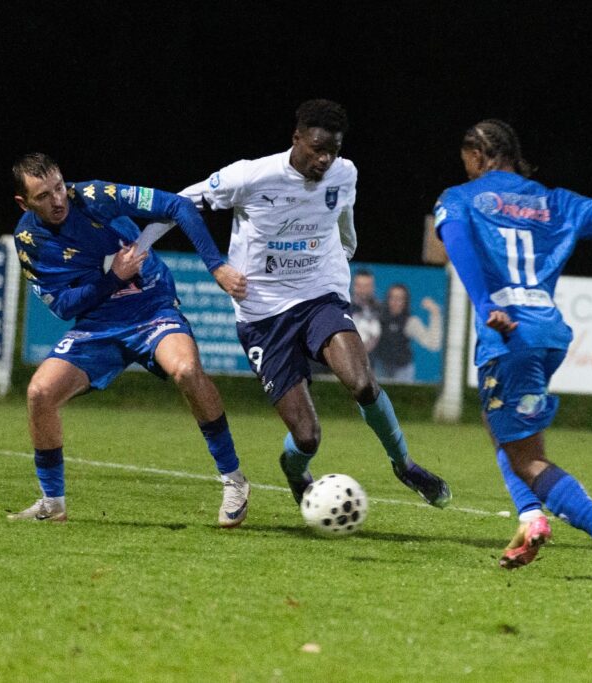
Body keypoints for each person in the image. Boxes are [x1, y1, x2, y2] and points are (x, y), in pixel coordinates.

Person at [178, 99, 451, 508]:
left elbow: (343, 213)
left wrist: (347, 244)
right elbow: (177, 205)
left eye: (333, 151)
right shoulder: (252, 176)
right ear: (297, 138)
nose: (324, 159)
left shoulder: (344, 173)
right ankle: (294, 470)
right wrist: (196, 260)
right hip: (262, 316)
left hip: (318, 296)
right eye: (317, 149)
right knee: (307, 437)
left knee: (362, 382)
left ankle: (404, 464)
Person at [434, 119, 592, 583]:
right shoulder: (556, 202)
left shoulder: (461, 198)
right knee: (508, 435)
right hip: (548, 334)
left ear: (475, 155)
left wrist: (487, 302)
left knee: (526, 457)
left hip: (509, 337)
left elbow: (455, 243)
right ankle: (532, 520)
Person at [8, 153, 252, 527]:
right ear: (24, 203)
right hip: (99, 324)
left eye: (59, 187)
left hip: (152, 309)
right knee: (40, 394)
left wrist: (216, 266)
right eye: (43, 196)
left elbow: (179, 206)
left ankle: (234, 480)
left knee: (186, 371)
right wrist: (114, 278)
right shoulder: (29, 240)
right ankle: (52, 503)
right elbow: (63, 306)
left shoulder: (94, 196)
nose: (57, 200)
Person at [371, 283, 442, 382]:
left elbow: (433, 344)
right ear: (387, 300)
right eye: (392, 298)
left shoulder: (411, 322)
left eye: (400, 299)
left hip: (403, 370)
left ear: (405, 302)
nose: (395, 302)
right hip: (381, 367)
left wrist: (435, 314)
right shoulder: (377, 319)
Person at [349, 268, 382, 354]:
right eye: (359, 286)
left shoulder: (380, 309)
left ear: (373, 287)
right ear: (353, 286)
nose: (362, 290)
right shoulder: (344, 308)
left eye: (366, 286)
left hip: (375, 363)